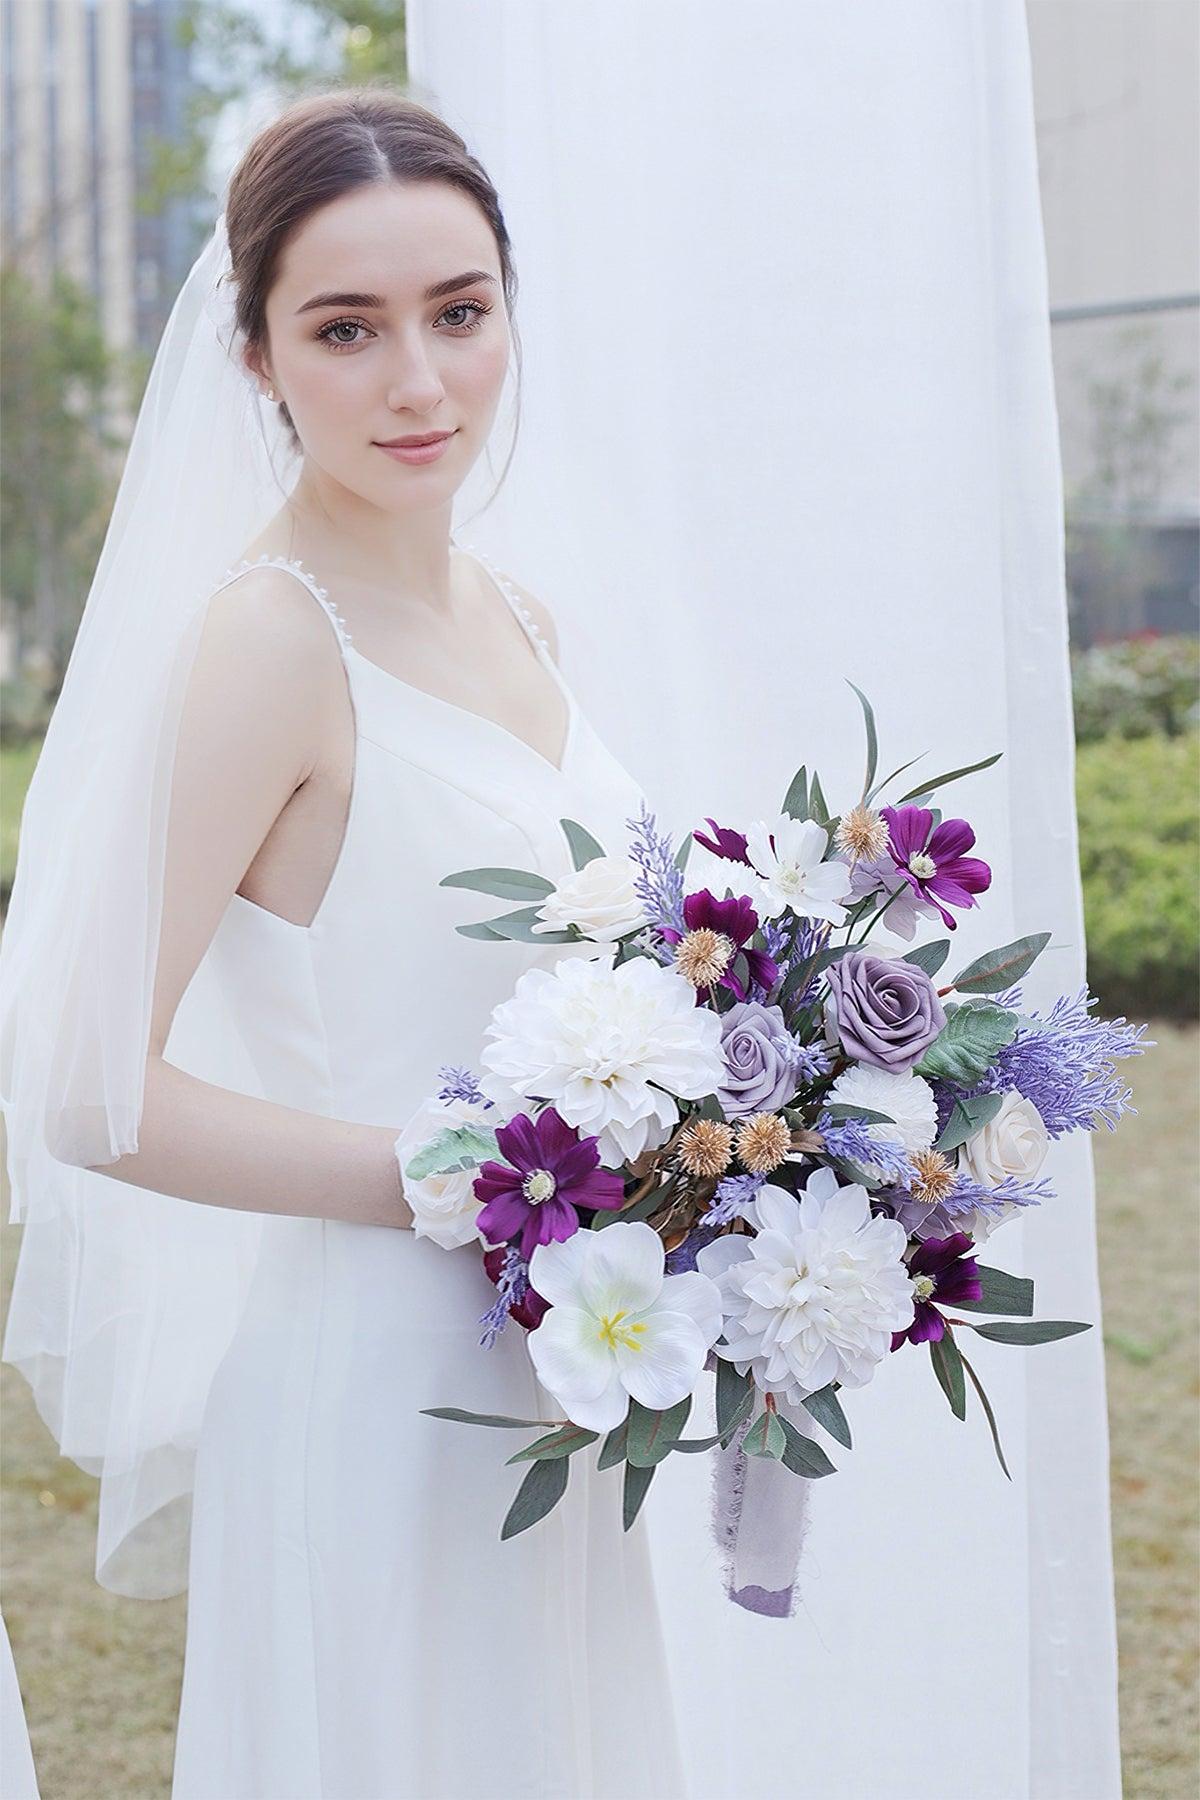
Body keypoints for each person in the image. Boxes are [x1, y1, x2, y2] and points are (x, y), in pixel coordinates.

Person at [0, 87, 688, 1800]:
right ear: (255, 358)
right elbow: (88, 1091)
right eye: (347, 329)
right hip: (375, 1380)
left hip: (562, 1362)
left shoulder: (530, 619)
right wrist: (460, 1179)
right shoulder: (263, 645)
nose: (419, 382)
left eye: (459, 313)